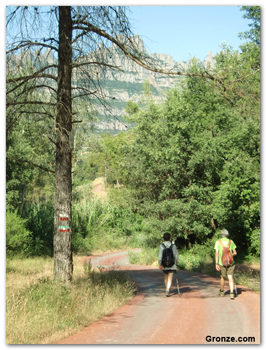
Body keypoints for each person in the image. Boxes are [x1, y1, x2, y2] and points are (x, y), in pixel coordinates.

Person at [215, 229, 237, 300]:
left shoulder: (218, 242)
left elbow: (217, 253)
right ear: (227, 235)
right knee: (230, 277)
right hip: (231, 262)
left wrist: (216, 263)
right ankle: (231, 293)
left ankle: (222, 291)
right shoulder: (231, 241)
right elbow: (235, 253)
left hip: (222, 263)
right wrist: (230, 256)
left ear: (221, 235)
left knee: (222, 277)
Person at [158, 232, 179, 297]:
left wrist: (160, 264)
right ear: (170, 238)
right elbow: (176, 256)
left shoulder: (161, 246)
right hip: (172, 265)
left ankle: (167, 289)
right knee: (170, 278)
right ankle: (168, 289)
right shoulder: (173, 246)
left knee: (165, 277)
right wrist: (176, 263)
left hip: (164, 265)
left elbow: (160, 256)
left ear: (164, 238)